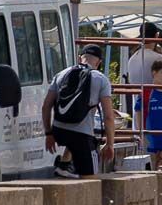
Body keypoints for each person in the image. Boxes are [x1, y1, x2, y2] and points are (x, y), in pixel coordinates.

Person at [43, 44, 115, 178]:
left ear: (79, 58)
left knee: (72, 140)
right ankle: (66, 167)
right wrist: (110, 144)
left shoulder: (62, 74)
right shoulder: (101, 79)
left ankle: (64, 165)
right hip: (82, 135)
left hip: (59, 131)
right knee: (91, 183)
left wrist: (48, 133)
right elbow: (109, 116)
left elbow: (46, 106)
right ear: (99, 62)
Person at [126, 22, 162, 89]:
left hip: (137, 98)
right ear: (156, 36)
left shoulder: (131, 59)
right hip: (154, 98)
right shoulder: (159, 58)